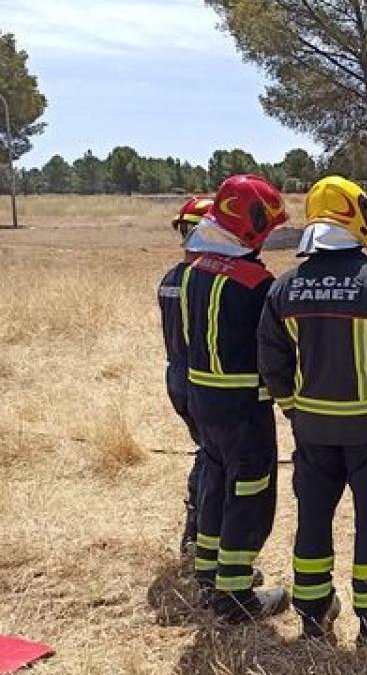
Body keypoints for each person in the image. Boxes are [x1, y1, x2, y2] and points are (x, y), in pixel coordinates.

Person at [258, 176, 367, 643]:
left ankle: (313, 612)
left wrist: (294, 409)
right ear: (359, 218)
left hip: (312, 432)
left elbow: (271, 361)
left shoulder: (285, 288)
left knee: (313, 515)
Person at [181, 174, 289, 621]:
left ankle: (207, 573)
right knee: (250, 492)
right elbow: (274, 350)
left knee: (213, 481)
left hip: (201, 399)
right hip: (243, 404)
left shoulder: (193, 270)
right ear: (251, 224)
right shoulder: (254, 283)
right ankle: (235, 595)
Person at [158, 196, 212, 557]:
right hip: (203, 383)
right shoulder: (203, 282)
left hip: (177, 377)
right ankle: (203, 544)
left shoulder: (171, 279)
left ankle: (195, 538)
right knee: (215, 460)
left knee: (207, 453)